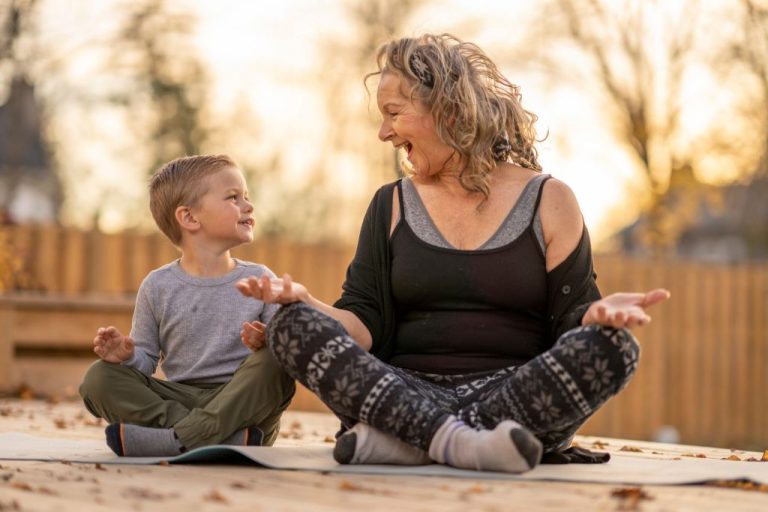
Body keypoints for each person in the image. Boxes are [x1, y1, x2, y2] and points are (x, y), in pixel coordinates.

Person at [237, 33, 670, 473]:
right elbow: (363, 323)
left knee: (616, 348)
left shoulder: (550, 200)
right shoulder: (390, 204)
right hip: (401, 392)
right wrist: (304, 304)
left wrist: (594, 319)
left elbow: (572, 320)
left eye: (394, 113)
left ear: (448, 109)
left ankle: (412, 441)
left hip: (514, 398)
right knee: (291, 326)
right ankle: (464, 443)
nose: (383, 132)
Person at [79, 154, 295, 457]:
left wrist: (267, 342)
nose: (248, 205)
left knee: (275, 361)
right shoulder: (157, 286)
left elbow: (288, 354)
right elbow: (145, 362)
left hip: (243, 404)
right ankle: (215, 438)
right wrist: (127, 356)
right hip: (179, 401)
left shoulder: (260, 279)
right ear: (190, 217)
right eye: (233, 197)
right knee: (98, 378)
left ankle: (175, 439)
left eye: (246, 196)